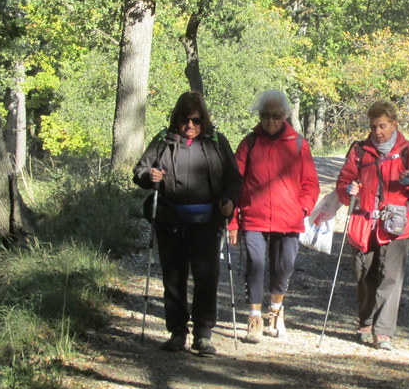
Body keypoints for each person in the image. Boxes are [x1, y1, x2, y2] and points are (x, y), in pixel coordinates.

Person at [133, 91, 242, 356]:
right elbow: (139, 172)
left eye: (195, 120)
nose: (189, 126)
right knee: (173, 277)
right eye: (184, 120)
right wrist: (150, 175)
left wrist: (229, 200)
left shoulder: (217, 141)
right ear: (176, 119)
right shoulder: (163, 141)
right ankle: (177, 332)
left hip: (208, 221)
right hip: (171, 218)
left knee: (206, 277)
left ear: (203, 119)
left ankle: (203, 334)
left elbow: (234, 179)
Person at [335, 100, 409, 351]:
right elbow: (343, 185)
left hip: (397, 224)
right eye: (373, 126)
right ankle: (366, 322)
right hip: (364, 222)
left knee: (390, 276)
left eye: (382, 126)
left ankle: (383, 333)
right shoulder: (359, 150)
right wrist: (349, 190)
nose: (377, 132)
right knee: (364, 274)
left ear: (393, 124)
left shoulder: (408, 151)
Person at [229, 90, 320, 344]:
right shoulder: (250, 142)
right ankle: (254, 318)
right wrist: (234, 221)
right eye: (265, 116)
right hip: (254, 217)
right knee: (254, 266)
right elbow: (235, 183)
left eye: (276, 116)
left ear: (285, 116)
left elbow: (310, 183)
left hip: (288, 219)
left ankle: (276, 312)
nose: (270, 122)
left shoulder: (298, 143)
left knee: (284, 267)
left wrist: (302, 208)